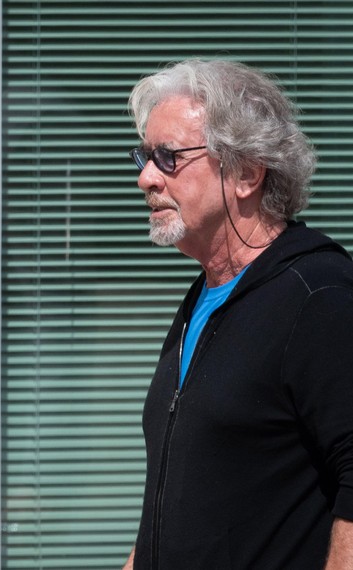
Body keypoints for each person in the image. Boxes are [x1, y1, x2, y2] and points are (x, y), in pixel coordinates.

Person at [121, 59, 353, 569]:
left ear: (247, 172)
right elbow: (177, 499)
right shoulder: (207, 296)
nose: (145, 179)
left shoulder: (318, 296)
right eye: (143, 156)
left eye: (168, 157)